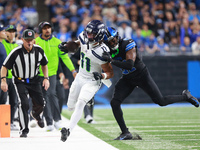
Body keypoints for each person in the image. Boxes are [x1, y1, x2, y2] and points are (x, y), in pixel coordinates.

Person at [102, 27, 199, 140]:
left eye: (114, 39)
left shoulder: (128, 43)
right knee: (114, 102)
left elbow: (129, 65)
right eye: (110, 41)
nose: (113, 43)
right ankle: (125, 133)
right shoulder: (107, 49)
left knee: (161, 101)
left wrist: (112, 60)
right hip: (127, 78)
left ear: (118, 36)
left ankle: (185, 97)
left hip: (141, 75)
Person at [59, 20, 114, 142]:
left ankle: (68, 129)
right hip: (80, 76)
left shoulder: (103, 51)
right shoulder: (84, 37)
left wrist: (102, 76)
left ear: (99, 35)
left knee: (80, 103)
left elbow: (110, 73)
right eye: (88, 33)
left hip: (92, 80)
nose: (88, 35)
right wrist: (68, 47)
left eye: (92, 34)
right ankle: (89, 99)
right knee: (70, 107)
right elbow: (77, 44)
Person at [1, 29, 49, 138]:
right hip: (19, 80)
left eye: (31, 40)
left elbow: (44, 64)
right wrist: (3, 80)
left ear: (34, 40)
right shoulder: (16, 52)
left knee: (41, 103)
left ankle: (36, 115)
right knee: (24, 104)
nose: (29, 42)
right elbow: (4, 67)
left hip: (34, 79)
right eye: (27, 40)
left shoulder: (39, 51)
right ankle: (24, 130)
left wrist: (46, 78)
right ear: (22, 40)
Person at [35, 21, 77, 131]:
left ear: (51, 29)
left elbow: (65, 58)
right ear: (41, 30)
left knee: (51, 94)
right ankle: (49, 122)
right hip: (37, 74)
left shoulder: (57, 42)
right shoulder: (36, 42)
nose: (47, 30)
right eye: (44, 28)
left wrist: (73, 70)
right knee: (44, 98)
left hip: (52, 74)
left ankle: (57, 120)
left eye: (49, 28)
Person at [70, 48, 96, 124]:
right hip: (82, 74)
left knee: (91, 95)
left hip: (92, 74)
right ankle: (88, 115)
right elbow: (72, 58)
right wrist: (78, 61)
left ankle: (89, 115)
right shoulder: (82, 48)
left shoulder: (97, 49)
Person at [2, 25, 19, 131]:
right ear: (5, 33)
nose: (11, 33)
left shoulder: (17, 46)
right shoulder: (2, 44)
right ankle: (2, 122)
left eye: (13, 31)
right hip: (4, 77)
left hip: (14, 77)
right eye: (9, 31)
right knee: (2, 100)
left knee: (14, 101)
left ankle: (11, 122)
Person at [0, 25, 7, 104]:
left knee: (3, 102)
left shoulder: (2, 44)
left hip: (3, 78)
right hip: (1, 77)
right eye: (3, 31)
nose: (5, 33)